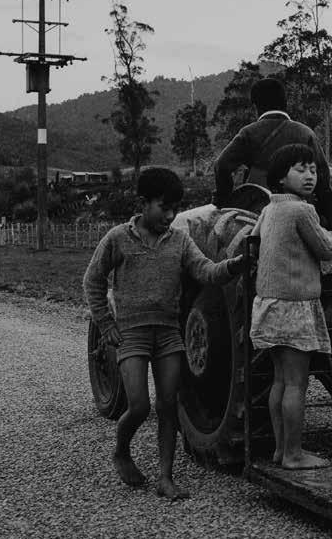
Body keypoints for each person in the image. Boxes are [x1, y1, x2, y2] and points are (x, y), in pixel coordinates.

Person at [83, 167, 243, 500]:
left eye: (175, 209)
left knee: (168, 405)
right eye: (163, 208)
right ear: (143, 203)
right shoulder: (118, 238)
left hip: (169, 334)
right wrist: (106, 324)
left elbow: (205, 271)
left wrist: (232, 265)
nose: (170, 216)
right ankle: (121, 450)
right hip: (132, 334)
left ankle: (165, 478)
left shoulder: (180, 240)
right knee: (139, 406)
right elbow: (93, 280)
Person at [249, 142, 332, 469]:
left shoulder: (269, 209)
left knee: (280, 380)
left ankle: (280, 449)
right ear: (281, 177)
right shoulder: (302, 210)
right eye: (300, 170)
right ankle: (294, 454)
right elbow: (326, 249)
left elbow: (253, 241)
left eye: (313, 170)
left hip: (269, 305)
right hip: (295, 305)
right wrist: (330, 237)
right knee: (297, 383)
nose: (309, 176)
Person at [212, 76, 332, 227]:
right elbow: (323, 176)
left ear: (255, 106)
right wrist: (328, 215)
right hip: (301, 209)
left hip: (257, 211)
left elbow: (221, 165)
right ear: (285, 103)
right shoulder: (305, 133)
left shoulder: (249, 133)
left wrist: (224, 201)